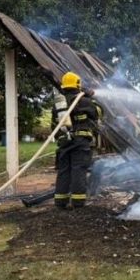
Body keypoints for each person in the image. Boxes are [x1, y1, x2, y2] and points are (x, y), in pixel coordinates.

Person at [52, 72, 102, 209]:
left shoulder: (58, 104)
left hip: (64, 142)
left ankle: (60, 202)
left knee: (64, 171)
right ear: (78, 84)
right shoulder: (84, 101)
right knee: (78, 170)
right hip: (80, 142)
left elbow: (54, 125)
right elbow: (99, 112)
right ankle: (78, 202)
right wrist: (90, 96)